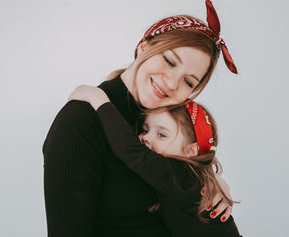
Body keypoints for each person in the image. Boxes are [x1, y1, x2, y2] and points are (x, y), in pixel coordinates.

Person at [43, 0, 238, 237]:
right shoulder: (81, 121)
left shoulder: (168, 123)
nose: (172, 83)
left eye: (188, 82)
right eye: (169, 61)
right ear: (144, 47)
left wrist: (207, 180)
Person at [67, 85, 242, 236]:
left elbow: (130, 150)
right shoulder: (182, 179)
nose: (146, 138)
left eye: (161, 134)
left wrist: (97, 99)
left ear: (190, 151)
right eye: (145, 129)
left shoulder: (183, 176)